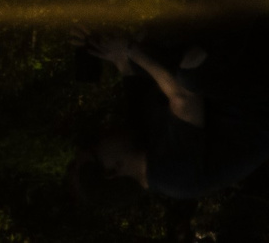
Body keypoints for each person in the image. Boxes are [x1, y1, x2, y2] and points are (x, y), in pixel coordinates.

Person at [86, 32, 269, 200]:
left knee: (152, 57)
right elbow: (185, 98)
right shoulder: (171, 177)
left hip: (230, 97)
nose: (101, 134)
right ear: (111, 171)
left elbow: (128, 69)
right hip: (255, 110)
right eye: (94, 145)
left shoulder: (136, 137)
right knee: (190, 72)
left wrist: (100, 44)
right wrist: (130, 49)